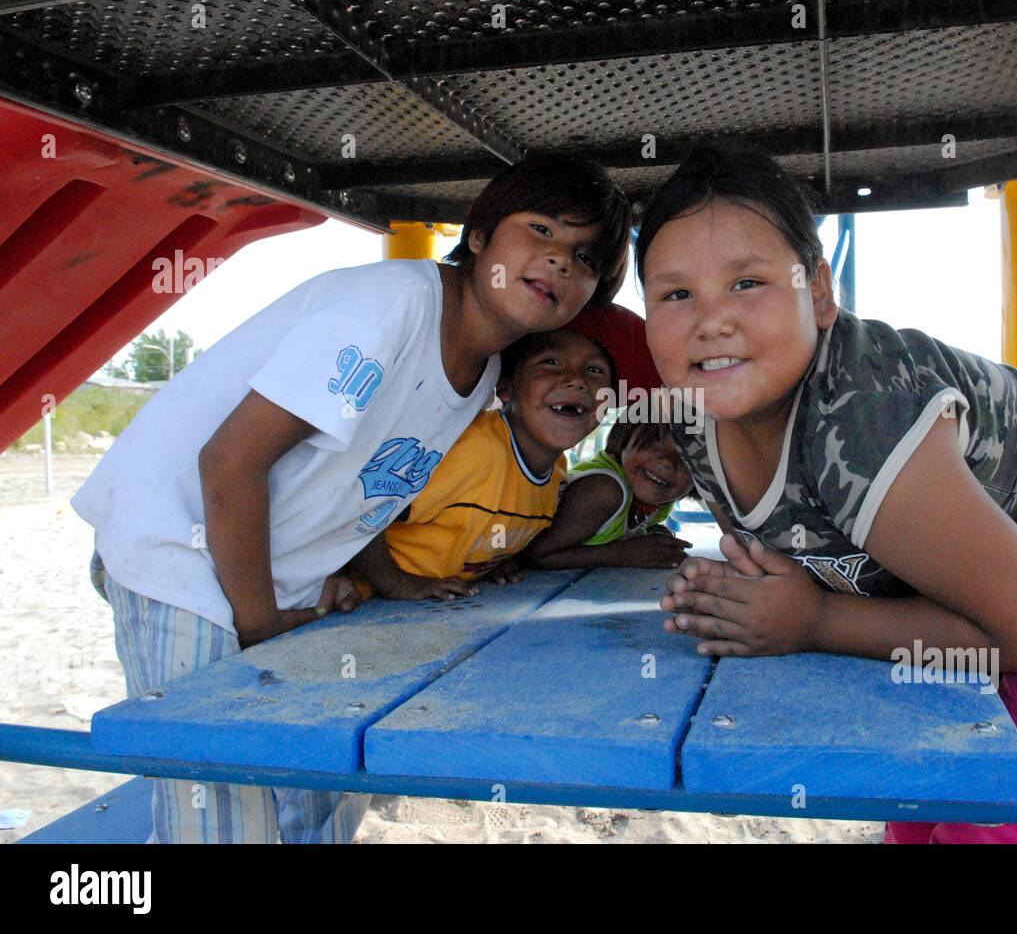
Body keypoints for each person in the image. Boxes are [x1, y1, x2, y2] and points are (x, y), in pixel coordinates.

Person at [636, 142, 1017, 844]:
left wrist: (813, 622)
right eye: (676, 294)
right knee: (924, 811)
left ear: (822, 293)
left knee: (1013, 828)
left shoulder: (866, 423)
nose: (712, 318)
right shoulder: (692, 421)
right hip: (984, 600)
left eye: (748, 283)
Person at [71, 152, 631, 843]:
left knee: (321, 800)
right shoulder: (393, 306)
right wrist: (258, 624)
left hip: (270, 574)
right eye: (540, 229)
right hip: (182, 553)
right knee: (220, 815)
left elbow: (362, 482)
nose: (557, 261)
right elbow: (231, 458)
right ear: (481, 232)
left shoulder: (483, 369)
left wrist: (388, 579)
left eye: (583, 257)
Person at [348, 328, 613, 599]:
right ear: (505, 388)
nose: (577, 380)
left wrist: (490, 561)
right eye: (551, 362)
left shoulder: (557, 471)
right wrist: (396, 583)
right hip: (355, 599)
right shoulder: (471, 448)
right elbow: (358, 508)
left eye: (594, 369)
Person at [522, 415, 696, 570]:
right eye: (655, 440)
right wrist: (624, 553)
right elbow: (535, 555)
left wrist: (649, 535)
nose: (667, 461)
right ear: (625, 433)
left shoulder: (659, 500)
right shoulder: (604, 490)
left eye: (687, 456)